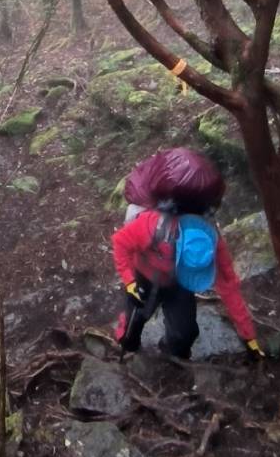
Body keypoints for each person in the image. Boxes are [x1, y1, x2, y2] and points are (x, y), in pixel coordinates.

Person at [111, 147, 263, 360]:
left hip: (179, 284)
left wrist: (249, 336)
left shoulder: (209, 240)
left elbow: (229, 286)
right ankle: (129, 350)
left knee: (185, 334)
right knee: (130, 329)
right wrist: (129, 281)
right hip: (145, 277)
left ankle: (173, 357)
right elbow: (120, 242)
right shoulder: (153, 225)